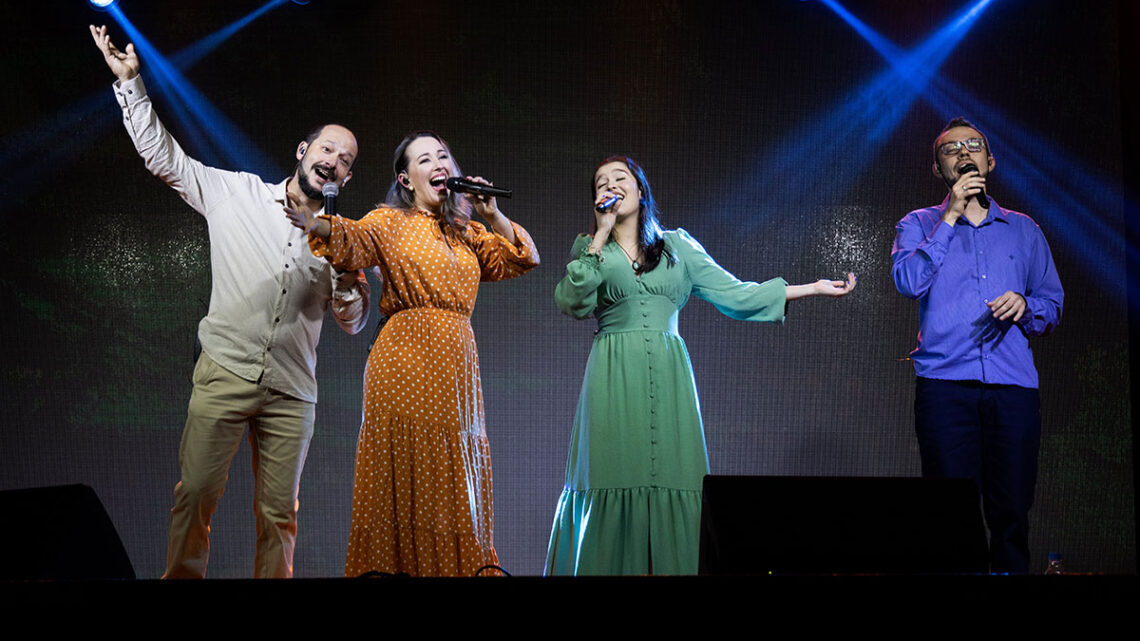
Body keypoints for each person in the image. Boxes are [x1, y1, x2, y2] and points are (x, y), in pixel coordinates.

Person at [90, 25, 370, 579]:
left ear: (347, 177)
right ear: (303, 152)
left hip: (293, 391)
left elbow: (353, 321)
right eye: (326, 148)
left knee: (278, 515)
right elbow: (164, 158)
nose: (333, 159)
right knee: (195, 495)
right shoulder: (236, 193)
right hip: (224, 372)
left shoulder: (347, 238)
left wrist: (340, 260)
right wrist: (130, 86)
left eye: (345, 158)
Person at [544, 156, 856, 575]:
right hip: (612, 379)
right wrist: (600, 236)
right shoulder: (588, 249)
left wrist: (812, 288)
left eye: (620, 178)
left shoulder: (678, 247)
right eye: (601, 183)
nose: (610, 186)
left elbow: (737, 295)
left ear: (641, 190)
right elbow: (570, 301)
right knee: (610, 475)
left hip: (670, 378)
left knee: (677, 479)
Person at [285, 131, 539, 577]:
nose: (439, 163)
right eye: (426, 159)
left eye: (444, 155)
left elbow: (521, 258)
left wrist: (492, 213)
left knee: (453, 474)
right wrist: (316, 223)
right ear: (407, 178)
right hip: (402, 360)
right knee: (402, 470)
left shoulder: (468, 232)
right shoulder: (389, 220)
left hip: (456, 365)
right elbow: (350, 238)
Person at [891, 117, 1063, 573]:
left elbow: (1052, 304)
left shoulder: (1024, 230)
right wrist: (949, 217)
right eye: (952, 150)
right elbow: (908, 282)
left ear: (990, 160)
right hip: (945, 387)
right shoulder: (918, 224)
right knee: (949, 515)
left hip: (1013, 389)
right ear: (938, 168)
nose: (964, 153)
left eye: (974, 146)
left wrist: (1025, 306)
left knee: (1011, 515)